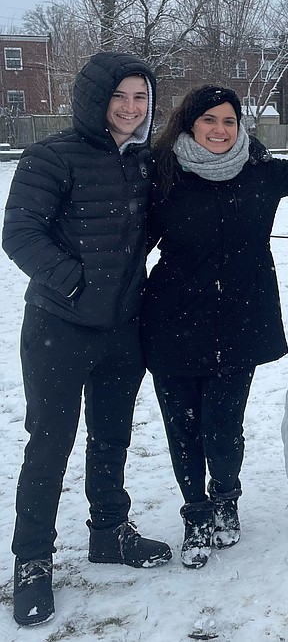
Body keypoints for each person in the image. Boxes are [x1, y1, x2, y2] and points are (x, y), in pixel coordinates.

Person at [2, 52, 172, 627]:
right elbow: (20, 234)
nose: (130, 108)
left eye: (141, 98)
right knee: (49, 444)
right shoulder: (51, 156)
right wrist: (75, 286)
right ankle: (31, 562)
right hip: (60, 326)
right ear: (94, 99)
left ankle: (109, 530)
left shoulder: (146, 162)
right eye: (120, 97)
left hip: (123, 327)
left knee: (111, 436)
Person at [141, 85, 288, 569]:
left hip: (240, 320)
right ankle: (195, 515)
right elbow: (128, 239)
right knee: (183, 428)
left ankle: (226, 499)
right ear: (189, 125)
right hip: (173, 319)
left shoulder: (260, 171)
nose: (220, 131)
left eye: (229, 121)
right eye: (209, 120)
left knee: (223, 429)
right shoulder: (162, 174)